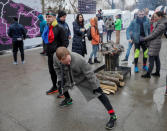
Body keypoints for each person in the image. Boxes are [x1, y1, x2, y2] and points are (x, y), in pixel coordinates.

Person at [53, 47, 117, 130]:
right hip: (67, 75)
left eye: (69, 61)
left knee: (99, 93)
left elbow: (90, 73)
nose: (68, 63)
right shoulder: (55, 57)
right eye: (66, 62)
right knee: (61, 85)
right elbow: (56, 68)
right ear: (60, 60)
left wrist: (95, 86)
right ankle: (68, 99)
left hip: (82, 77)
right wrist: (60, 79)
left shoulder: (79, 59)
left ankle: (113, 115)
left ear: (69, 54)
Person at [42, 10, 67, 95]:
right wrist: (46, 50)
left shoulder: (60, 28)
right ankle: (54, 87)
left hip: (57, 55)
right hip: (50, 54)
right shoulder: (47, 27)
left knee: (60, 73)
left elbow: (65, 42)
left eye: (50, 17)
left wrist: (61, 55)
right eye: (47, 17)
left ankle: (64, 90)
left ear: (54, 17)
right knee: (51, 71)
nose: (48, 18)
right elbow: (45, 40)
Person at [140, 11, 167, 78]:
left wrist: (144, 39)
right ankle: (157, 72)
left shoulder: (161, 25)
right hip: (156, 42)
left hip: (155, 43)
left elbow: (153, 35)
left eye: (155, 17)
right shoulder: (160, 23)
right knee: (156, 58)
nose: (154, 18)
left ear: (160, 17)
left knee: (151, 59)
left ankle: (148, 74)